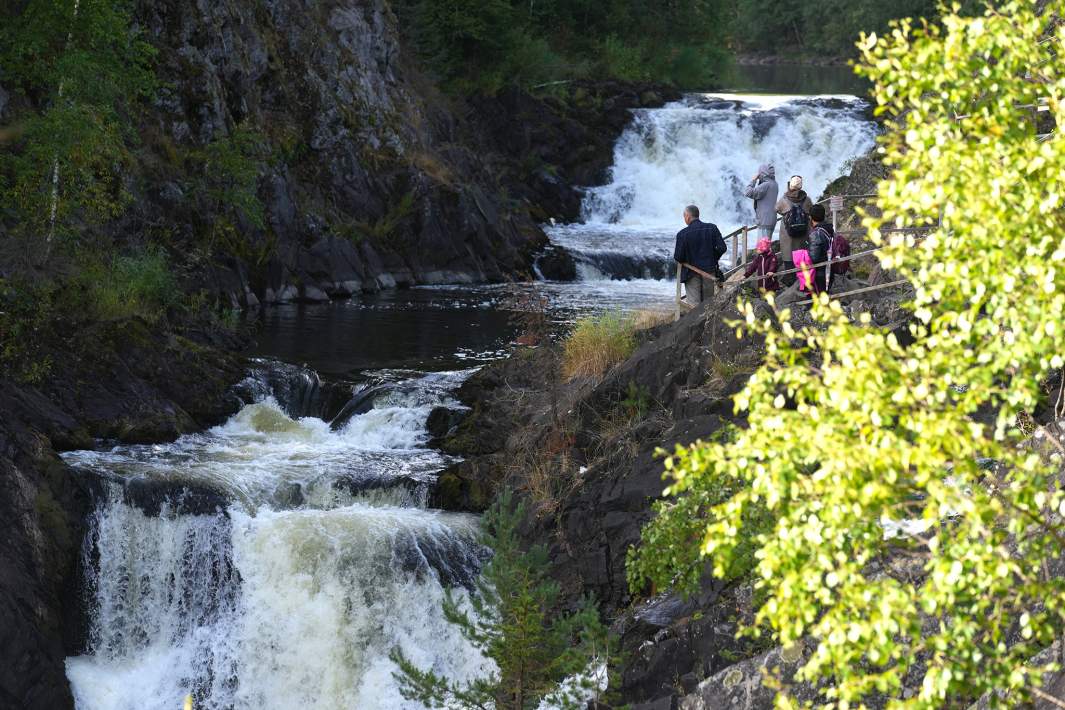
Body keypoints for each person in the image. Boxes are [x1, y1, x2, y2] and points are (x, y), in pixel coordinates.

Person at [674, 204, 726, 305]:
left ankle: (696, 321)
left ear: (688, 216)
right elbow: (722, 247)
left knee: (694, 305)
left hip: (691, 273)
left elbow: (678, 257)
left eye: (684, 216)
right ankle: (708, 320)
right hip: (709, 271)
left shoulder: (682, 234)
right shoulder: (712, 228)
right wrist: (712, 258)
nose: (684, 219)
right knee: (708, 303)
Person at [775, 175, 813, 275]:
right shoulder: (807, 200)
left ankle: (791, 280)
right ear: (801, 186)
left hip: (788, 235)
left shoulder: (784, 200)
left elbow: (777, 209)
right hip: (803, 234)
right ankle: (803, 280)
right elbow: (811, 210)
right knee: (802, 256)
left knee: (788, 256)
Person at [744, 164, 779, 243]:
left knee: (763, 249)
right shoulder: (774, 184)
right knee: (766, 246)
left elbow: (748, 192)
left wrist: (753, 180)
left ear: (763, 173)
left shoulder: (766, 185)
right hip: (771, 219)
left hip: (765, 221)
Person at [807, 203, 833, 294]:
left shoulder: (816, 233)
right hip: (830, 269)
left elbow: (814, 257)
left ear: (811, 218)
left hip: (820, 272)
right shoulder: (829, 229)